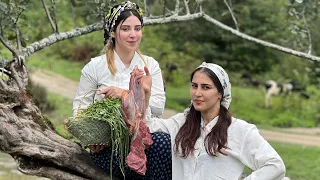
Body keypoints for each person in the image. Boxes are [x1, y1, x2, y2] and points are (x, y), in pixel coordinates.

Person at [135, 62, 286, 180]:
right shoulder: (181, 123)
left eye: (206, 87)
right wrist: (145, 94)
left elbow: (275, 165)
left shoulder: (240, 130)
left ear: (221, 93)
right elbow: (146, 126)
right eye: (194, 86)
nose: (197, 93)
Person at [72, 1, 171, 179]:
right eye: (125, 29)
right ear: (113, 31)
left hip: (142, 140)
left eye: (137, 28)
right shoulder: (95, 66)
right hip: (109, 143)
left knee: (165, 145)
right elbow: (80, 107)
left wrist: (136, 93)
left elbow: (158, 108)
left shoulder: (150, 65)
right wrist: (92, 137)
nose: (133, 35)